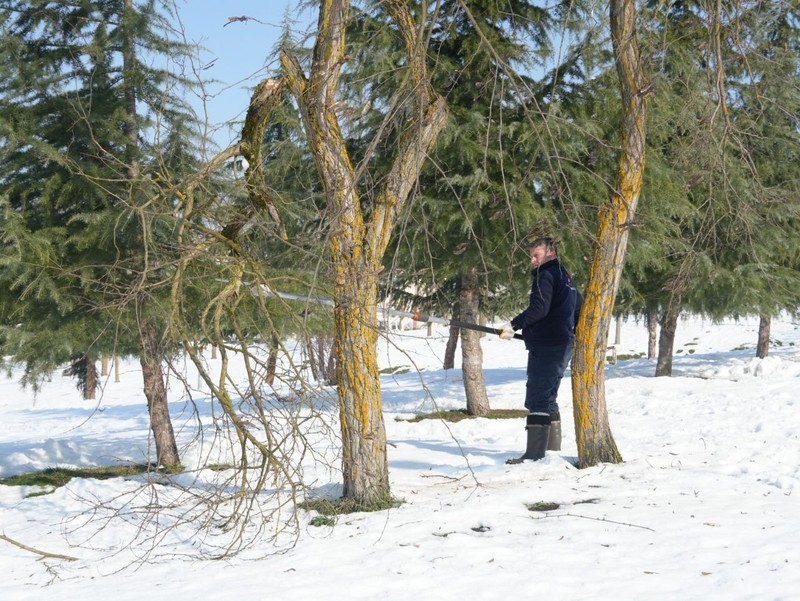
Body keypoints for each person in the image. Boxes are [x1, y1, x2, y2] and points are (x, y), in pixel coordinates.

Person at [498, 237, 582, 463]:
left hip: (548, 346)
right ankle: (551, 454)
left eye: (536, 255)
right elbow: (578, 308)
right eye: (532, 255)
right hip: (562, 343)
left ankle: (534, 455)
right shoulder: (565, 276)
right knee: (548, 396)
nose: (532, 260)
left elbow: (539, 308)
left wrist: (513, 325)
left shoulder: (545, 275)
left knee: (537, 397)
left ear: (551, 252)